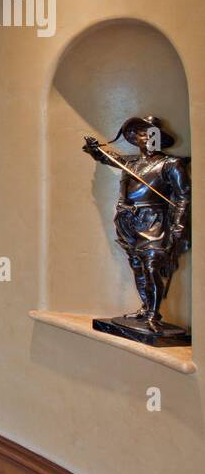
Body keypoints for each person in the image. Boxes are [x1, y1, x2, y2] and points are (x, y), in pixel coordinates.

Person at [82, 116, 191, 334]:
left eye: (150, 134)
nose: (145, 138)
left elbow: (183, 196)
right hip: (127, 219)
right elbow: (106, 157)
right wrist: (94, 149)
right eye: (141, 133)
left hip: (153, 219)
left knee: (151, 266)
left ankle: (154, 314)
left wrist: (178, 227)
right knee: (137, 264)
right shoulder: (131, 163)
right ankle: (145, 308)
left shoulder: (170, 164)